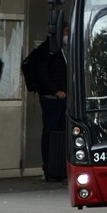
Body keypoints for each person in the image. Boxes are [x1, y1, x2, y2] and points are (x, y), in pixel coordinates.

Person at [34, 26, 69, 181]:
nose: (68, 35)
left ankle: (58, 168)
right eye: (66, 32)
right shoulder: (47, 50)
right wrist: (56, 91)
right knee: (50, 132)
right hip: (51, 98)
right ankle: (49, 168)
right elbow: (42, 74)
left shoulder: (63, 50)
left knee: (60, 132)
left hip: (62, 98)